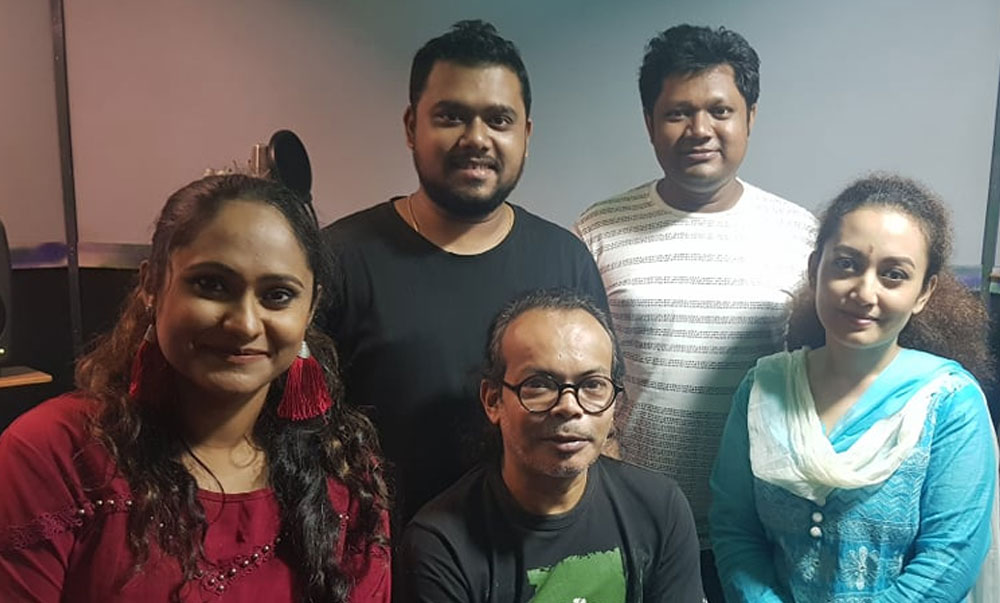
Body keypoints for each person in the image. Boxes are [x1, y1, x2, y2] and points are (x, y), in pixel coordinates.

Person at [0, 174, 391, 602]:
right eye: (211, 285)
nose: (244, 324)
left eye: (278, 295)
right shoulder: (56, 454)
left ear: (311, 308)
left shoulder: (343, 471)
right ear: (151, 285)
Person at [322, 20, 607, 522]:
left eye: (498, 120)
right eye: (451, 116)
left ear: (525, 135)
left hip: (529, 552)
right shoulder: (340, 259)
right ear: (411, 126)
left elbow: (599, 416)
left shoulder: (565, 261)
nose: (476, 139)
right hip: (380, 552)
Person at [573, 24, 817, 596]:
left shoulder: (800, 234)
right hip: (632, 516)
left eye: (720, 111)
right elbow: (580, 375)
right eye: (678, 113)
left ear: (750, 117)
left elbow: (815, 378)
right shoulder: (598, 230)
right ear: (649, 123)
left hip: (759, 523)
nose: (700, 129)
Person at [709, 174, 1000, 602]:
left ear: (924, 292)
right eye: (846, 264)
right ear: (815, 269)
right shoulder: (763, 389)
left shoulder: (950, 403)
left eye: (894, 275)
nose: (865, 292)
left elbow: (949, 560)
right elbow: (735, 532)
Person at [397, 289, 704, 601]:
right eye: (539, 385)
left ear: (616, 402)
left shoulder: (660, 509)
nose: (569, 406)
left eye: (593, 385)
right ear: (493, 400)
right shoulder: (441, 545)